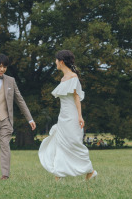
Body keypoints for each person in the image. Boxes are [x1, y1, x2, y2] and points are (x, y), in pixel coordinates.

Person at [38, 50, 97, 181]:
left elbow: (77, 98)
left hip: (72, 116)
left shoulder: (73, 78)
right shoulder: (63, 79)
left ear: (62, 62)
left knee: (73, 144)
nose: (55, 63)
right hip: (63, 116)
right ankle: (59, 175)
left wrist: (80, 116)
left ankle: (90, 171)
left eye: (56, 60)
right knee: (61, 144)